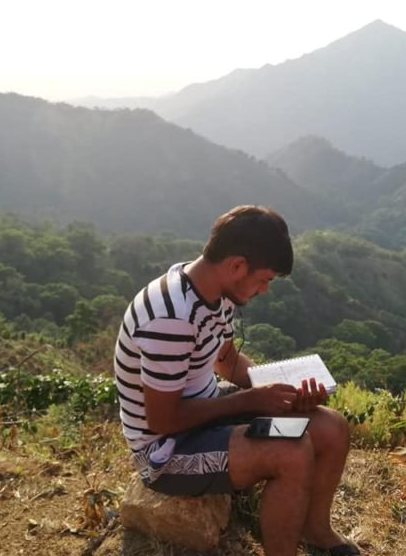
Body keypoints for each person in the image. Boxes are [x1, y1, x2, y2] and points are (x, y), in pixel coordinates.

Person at [113, 205, 358, 556]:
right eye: (264, 279)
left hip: (208, 414)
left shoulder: (212, 292)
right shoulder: (170, 317)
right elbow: (162, 420)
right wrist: (247, 401)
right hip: (167, 450)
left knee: (331, 428)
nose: (265, 290)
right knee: (290, 450)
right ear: (237, 266)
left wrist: (282, 392)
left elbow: (226, 361)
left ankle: (315, 530)